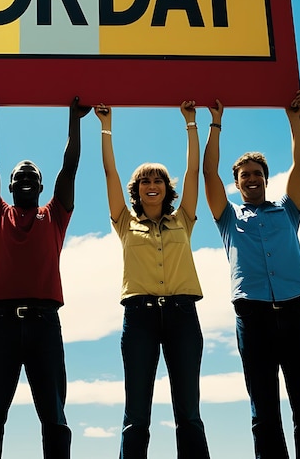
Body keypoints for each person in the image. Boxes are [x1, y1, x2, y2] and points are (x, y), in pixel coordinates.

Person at [202, 90, 300, 459]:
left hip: (296, 315)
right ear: (237, 183)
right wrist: (216, 123)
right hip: (253, 318)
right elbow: (208, 172)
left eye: (258, 173)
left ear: (266, 179)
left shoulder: (288, 210)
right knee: (264, 415)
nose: (252, 179)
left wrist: (294, 119)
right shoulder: (228, 218)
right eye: (245, 175)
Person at [0, 97, 90, 459]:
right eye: (18, 176)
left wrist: (74, 118)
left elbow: (69, 168)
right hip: (1, 324)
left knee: (54, 416)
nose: (25, 179)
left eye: (32, 177)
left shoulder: (55, 214)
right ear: (8, 187)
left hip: (44, 324)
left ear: (41, 187)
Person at [95, 103, 210, 459]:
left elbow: (193, 171)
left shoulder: (184, 219)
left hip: (182, 316)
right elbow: (110, 173)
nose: (152, 184)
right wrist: (106, 127)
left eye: (157, 179)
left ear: (166, 188)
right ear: (137, 189)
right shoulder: (125, 222)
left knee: (188, 413)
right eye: (145, 179)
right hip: (140, 317)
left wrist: (191, 123)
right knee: (137, 414)